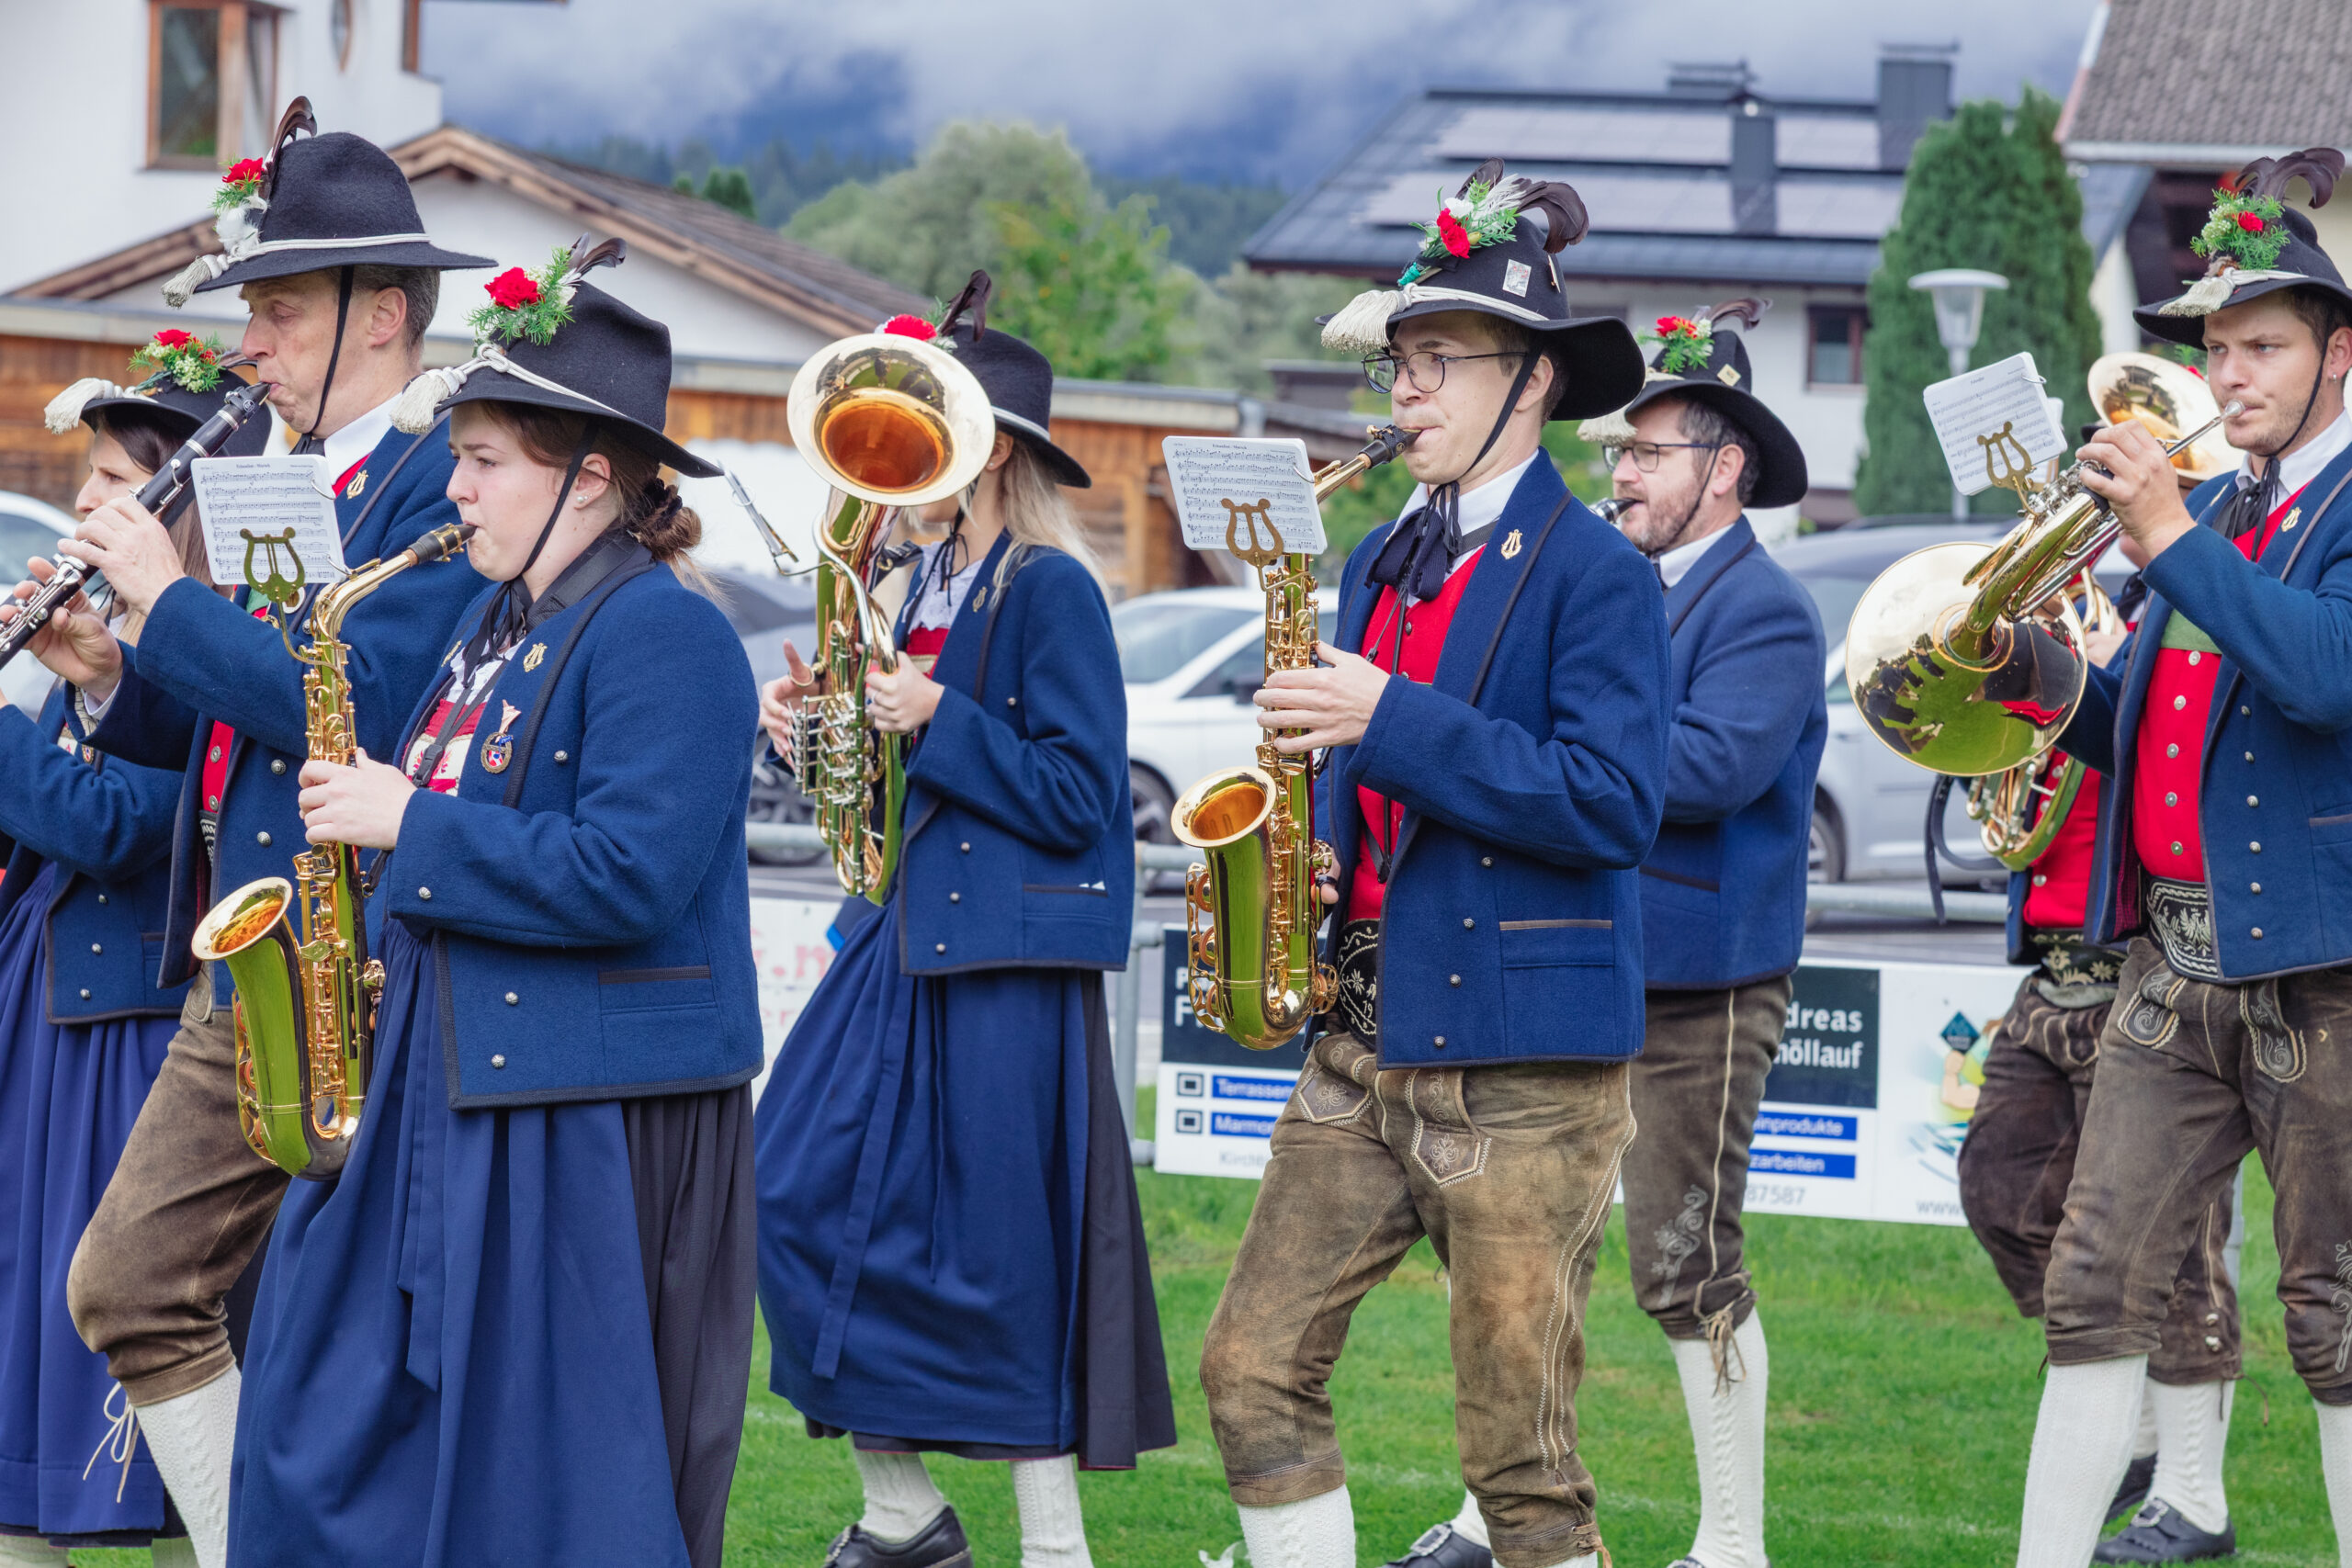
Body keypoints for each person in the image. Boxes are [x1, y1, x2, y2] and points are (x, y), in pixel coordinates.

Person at [232, 245, 761, 1568]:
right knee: (325, 1409)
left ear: (589, 476)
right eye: (459, 458)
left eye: (481, 461)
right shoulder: (496, 622)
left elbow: (630, 873)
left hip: (579, 1118)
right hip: (459, 1077)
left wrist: (408, 822)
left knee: (542, 1494)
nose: (455, 487)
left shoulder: (667, 631)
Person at [20, 106, 492, 1568]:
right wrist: (109, 666)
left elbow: (362, 701)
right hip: (249, 949)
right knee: (132, 1281)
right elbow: (227, 714)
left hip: (361, 950)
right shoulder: (271, 468)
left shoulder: (439, 476)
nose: (251, 343)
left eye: (280, 310)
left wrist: (168, 601)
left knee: (323, 1320)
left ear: (382, 313)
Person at [1199, 162, 1667, 1568]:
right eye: (1397, 364)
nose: (1403, 391)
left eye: (1437, 361)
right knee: (1247, 1368)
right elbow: (1360, 769)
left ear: (1532, 380)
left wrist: (1385, 716)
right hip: (1362, 1029)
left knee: (1519, 1464)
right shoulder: (1381, 556)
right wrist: (1312, 842)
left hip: (1522, 1062)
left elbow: (1612, 804)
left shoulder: (1600, 572)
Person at [755, 277, 1174, 1568]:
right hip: (901, 937)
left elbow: (1081, 792)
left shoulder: (1051, 588)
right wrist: (812, 732)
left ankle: (1054, 1544)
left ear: (993, 455)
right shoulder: (925, 574)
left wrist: (939, 715)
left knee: (1002, 1257)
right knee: (784, 1188)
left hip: (1004, 962)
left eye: (935, 438)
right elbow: (893, 778)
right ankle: (902, 1509)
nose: (900, 463)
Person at [2012, 148, 2352, 1567]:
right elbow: (2145, 726)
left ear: (2340, 355)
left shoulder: (2278, 514)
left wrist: (2159, 530)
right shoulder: (2216, 516)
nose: (2230, 372)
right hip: (2175, 960)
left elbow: (2322, 676)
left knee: (2335, 1309)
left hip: (2323, 971)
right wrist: (2027, 673)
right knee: (2093, 1284)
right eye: (2217, 348)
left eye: (2263, 344)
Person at [0, 345, 246, 1568]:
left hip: (130, 1035)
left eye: (111, 479)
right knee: (25, 1304)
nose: (87, 501)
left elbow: (119, 827)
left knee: (118, 1306)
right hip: (48, 1011)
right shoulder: (111, 645)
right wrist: (81, 688)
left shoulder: (204, 646)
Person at [1958, 558, 2248, 1564]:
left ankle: (2192, 1493)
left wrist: (2106, 668)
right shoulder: (2088, 607)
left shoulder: (2173, 604)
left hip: (2142, 963)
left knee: (2175, 1247)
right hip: (2052, 969)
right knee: (1998, 1191)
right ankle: (2131, 1415)